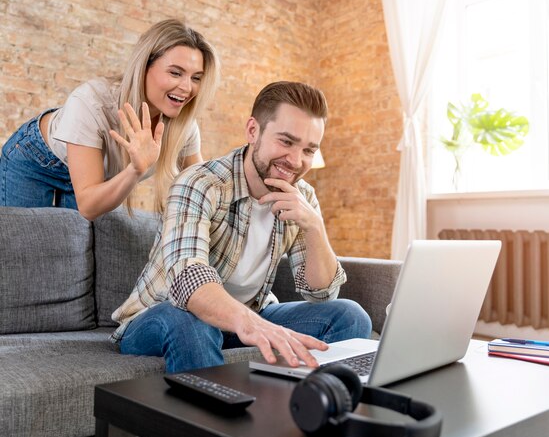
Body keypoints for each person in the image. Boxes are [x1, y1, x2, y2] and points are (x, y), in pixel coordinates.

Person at [111, 81, 372, 373]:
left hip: (248, 314)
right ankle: (217, 418)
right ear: (252, 130)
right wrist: (255, 325)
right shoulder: (200, 182)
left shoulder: (303, 196)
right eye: (286, 142)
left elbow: (321, 294)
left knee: (350, 316)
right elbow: (189, 281)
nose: (296, 161)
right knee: (192, 321)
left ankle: (309, 409)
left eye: (309, 150)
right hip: (163, 316)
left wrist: (314, 226)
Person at [0, 19, 220, 220]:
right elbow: (88, 205)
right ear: (144, 67)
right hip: (39, 161)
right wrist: (135, 170)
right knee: (25, 243)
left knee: (71, 247)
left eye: (196, 78)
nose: (187, 87)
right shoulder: (90, 102)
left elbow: (202, 187)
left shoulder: (184, 126)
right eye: (175, 73)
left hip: (94, 182)